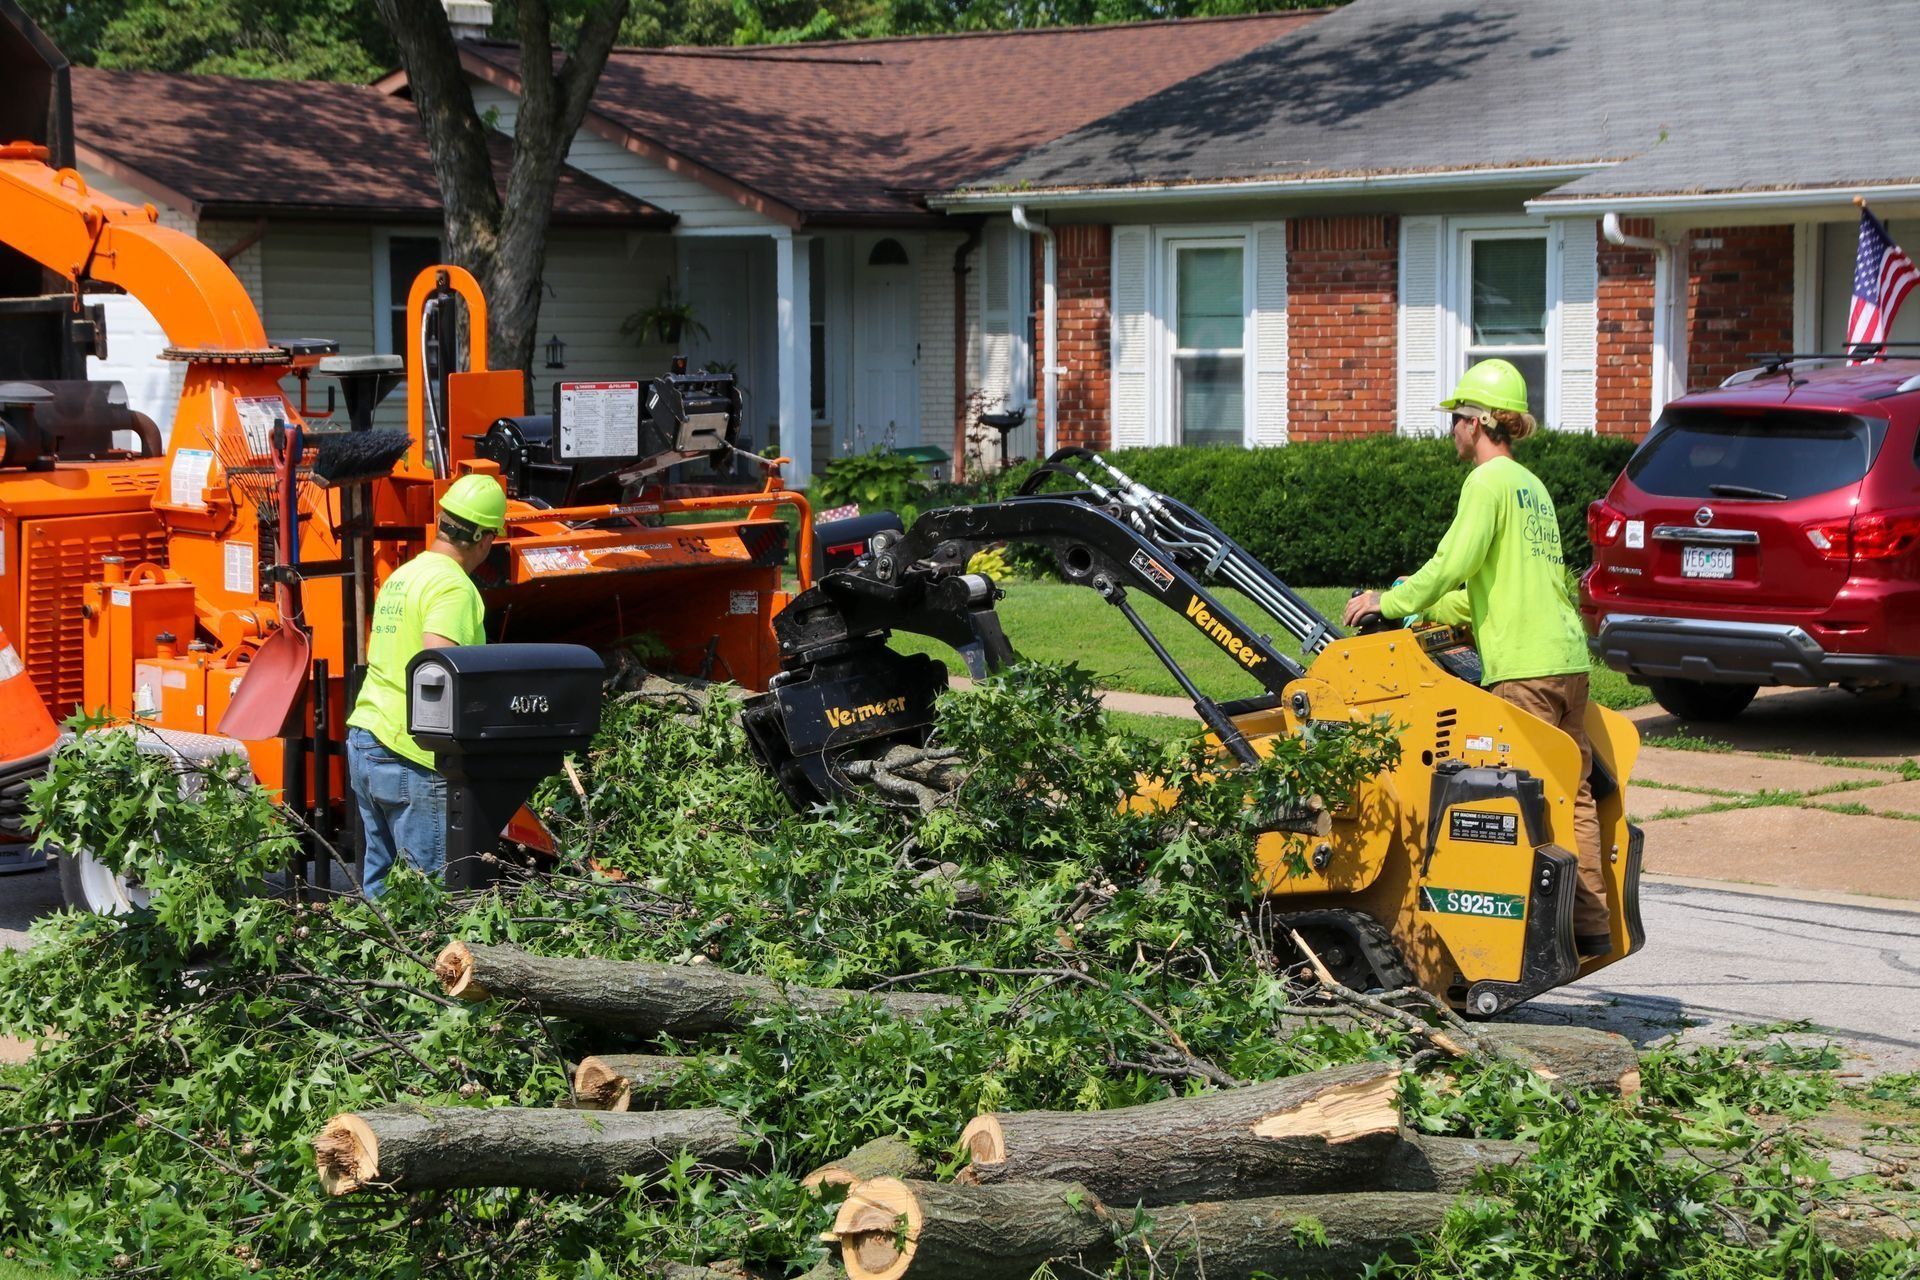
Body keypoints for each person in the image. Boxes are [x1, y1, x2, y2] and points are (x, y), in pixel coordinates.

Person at [1342, 359, 1611, 958]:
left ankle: (1523, 938)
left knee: (1513, 805)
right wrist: (1425, 611)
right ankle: (1590, 922)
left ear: (1480, 422)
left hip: (1524, 669)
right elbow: (1498, 583)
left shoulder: (1485, 483)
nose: (1452, 431)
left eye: (1457, 419)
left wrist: (1389, 599)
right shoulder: (1530, 485)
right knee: (1575, 794)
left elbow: (1454, 562)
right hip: (1566, 660)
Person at [345, 474, 507, 896]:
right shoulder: (454, 586)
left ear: (442, 520)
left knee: (380, 885)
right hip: (412, 754)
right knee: (430, 896)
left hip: (367, 738)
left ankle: (374, 959)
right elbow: (437, 669)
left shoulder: (403, 576)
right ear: (485, 540)